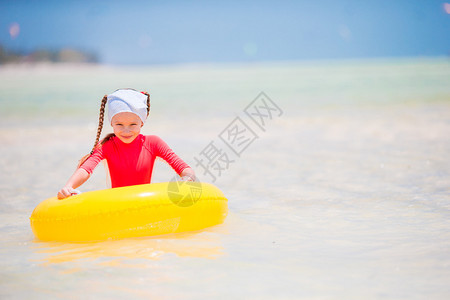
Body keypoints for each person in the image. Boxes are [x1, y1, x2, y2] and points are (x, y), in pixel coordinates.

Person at [57, 88, 196, 199]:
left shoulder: (153, 143)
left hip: (143, 204)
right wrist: (69, 186)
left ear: (142, 122)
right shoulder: (106, 146)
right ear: (111, 122)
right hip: (117, 206)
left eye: (133, 124)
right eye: (119, 124)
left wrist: (187, 178)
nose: (126, 130)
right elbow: (86, 169)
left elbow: (183, 167)